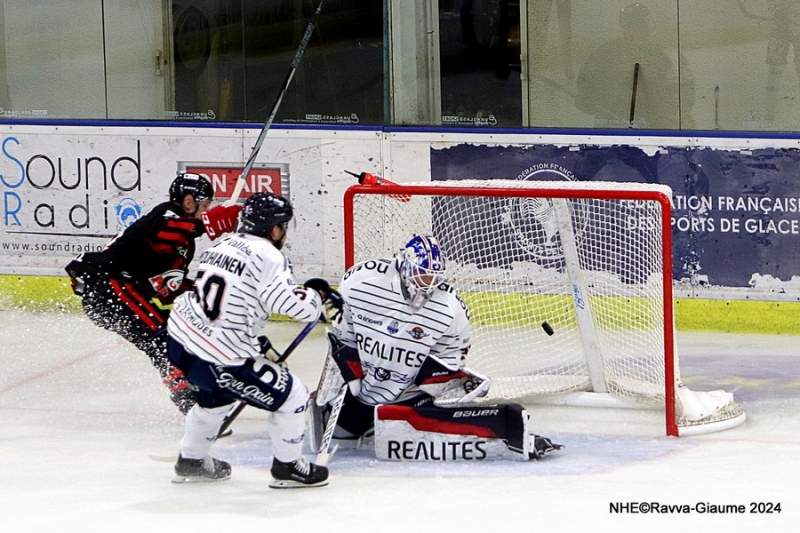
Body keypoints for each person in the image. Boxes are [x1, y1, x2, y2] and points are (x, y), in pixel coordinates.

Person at [312, 234, 562, 461]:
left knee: (436, 418)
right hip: (361, 393)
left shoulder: (450, 308)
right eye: (422, 274)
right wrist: (344, 378)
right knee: (344, 428)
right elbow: (343, 338)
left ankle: (507, 430)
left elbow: (452, 360)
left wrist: (443, 386)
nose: (428, 283)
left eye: (434, 276)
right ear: (404, 266)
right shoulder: (361, 282)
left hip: (410, 398)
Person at [166, 192, 341, 487]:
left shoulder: (223, 243)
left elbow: (230, 304)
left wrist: (258, 345)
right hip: (218, 355)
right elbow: (292, 306)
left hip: (180, 338)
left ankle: (191, 460)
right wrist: (318, 297)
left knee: (214, 402)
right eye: (284, 225)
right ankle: (287, 468)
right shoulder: (269, 255)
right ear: (274, 229)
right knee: (293, 396)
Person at [64, 173, 241, 415]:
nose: (206, 211)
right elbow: (169, 231)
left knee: (177, 333)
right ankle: (190, 403)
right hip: (111, 287)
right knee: (162, 338)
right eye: (205, 205)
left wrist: (210, 296)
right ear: (189, 202)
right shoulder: (165, 214)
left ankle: (195, 392)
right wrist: (209, 223)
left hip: (120, 295)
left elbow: (168, 289)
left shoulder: (184, 244)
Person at [575, 3, 694, 129]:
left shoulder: (660, 58)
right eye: (633, 28)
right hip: (610, 129)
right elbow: (585, 83)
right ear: (625, 28)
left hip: (650, 128)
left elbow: (683, 95)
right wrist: (588, 99)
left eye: (643, 29)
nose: (640, 33)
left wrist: (666, 115)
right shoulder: (605, 54)